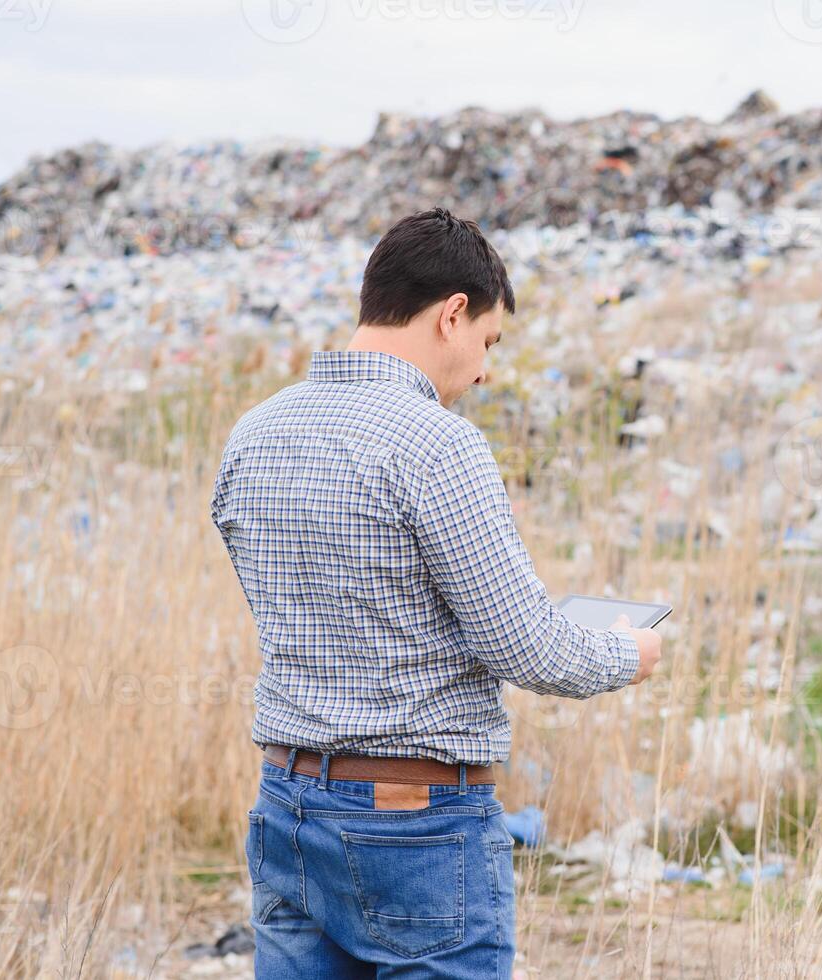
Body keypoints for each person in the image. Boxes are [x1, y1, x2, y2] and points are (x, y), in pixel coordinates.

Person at [210, 207, 663, 978]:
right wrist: (630, 652)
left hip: (286, 808)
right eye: (487, 341)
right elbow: (534, 649)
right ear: (453, 313)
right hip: (415, 829)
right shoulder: (439, 443)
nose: (483, 369)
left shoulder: (254, 433)